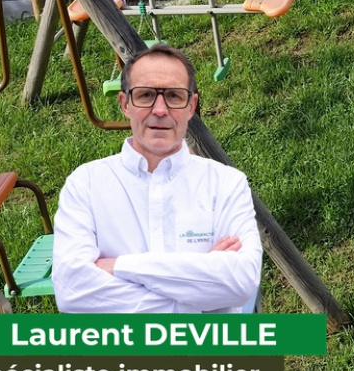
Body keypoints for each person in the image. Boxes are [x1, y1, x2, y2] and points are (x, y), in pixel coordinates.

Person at [52, 44, 261, 313]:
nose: (160, 109)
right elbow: (72, 292)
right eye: (146, 95)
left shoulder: (227, 184)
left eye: (174, 96)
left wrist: (118, 266)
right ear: (125, 104)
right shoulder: (85, 184)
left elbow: (241, 283)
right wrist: (198, 288)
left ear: (191, 107)